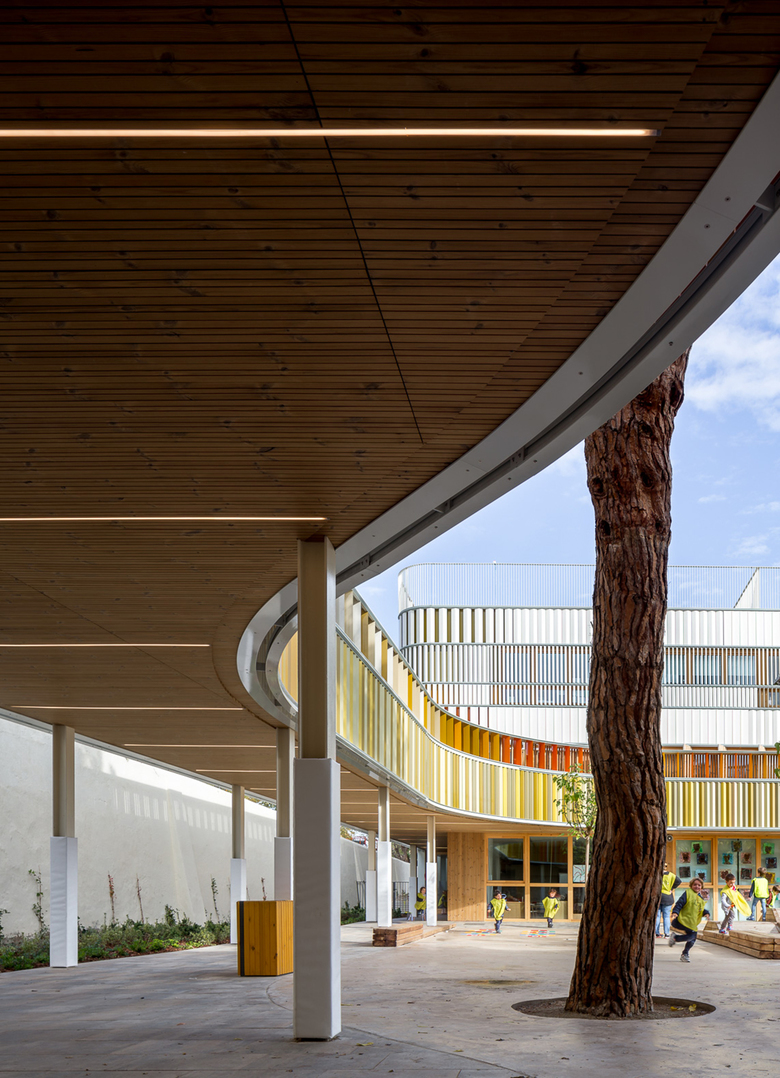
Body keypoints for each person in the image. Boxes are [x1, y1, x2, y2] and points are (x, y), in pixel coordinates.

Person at [667, 877, 710, 962]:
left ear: (701, 887)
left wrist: (706, 913)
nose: (697, 886)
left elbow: (700, 909)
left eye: (699, 885)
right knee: (692, 936)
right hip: (682, 920)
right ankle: (676, 938)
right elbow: (680, 903)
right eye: (695, 885)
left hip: (691, 922)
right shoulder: (688, 893)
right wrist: (675, 912)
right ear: (691, 886)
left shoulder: (700, 898)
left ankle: (684, 954)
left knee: (692, 938)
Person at [718, 870, 749, 936]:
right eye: (730, 883)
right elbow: (723, 900)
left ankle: (728, 926)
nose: (732, 884)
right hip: (726, 906)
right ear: (726, 882)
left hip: (730, 905)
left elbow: (735, 893)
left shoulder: (733, 887)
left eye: (733, 882)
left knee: (731, 915)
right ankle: (724, 928)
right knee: (729, 916)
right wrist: (727, 905)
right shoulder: (725, 891)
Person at [656, 862, 682, 938]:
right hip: (667, 897)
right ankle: (667, 934)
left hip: (657, 896)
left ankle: (657, 933)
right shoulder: (671, 875)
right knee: (666, 916)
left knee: (657, 916)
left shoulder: (656, 874)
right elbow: (679, 881)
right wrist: (672, 888)